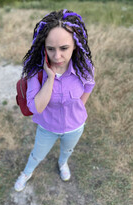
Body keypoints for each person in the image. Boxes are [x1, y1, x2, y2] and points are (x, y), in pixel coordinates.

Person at [14, 9, 95, 192]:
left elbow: (89, 85)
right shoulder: (36, 72)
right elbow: (36, 107)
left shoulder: (84, 67)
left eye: (64, 48)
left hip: (75, 127)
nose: (57, 56)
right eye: (51, 49)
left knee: (67, 151)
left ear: (75, 45)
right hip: (47, 127)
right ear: (44, 47)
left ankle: (63, 163)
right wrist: (50, 78)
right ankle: (27, 173)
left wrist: (79, 106)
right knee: (37, 155)